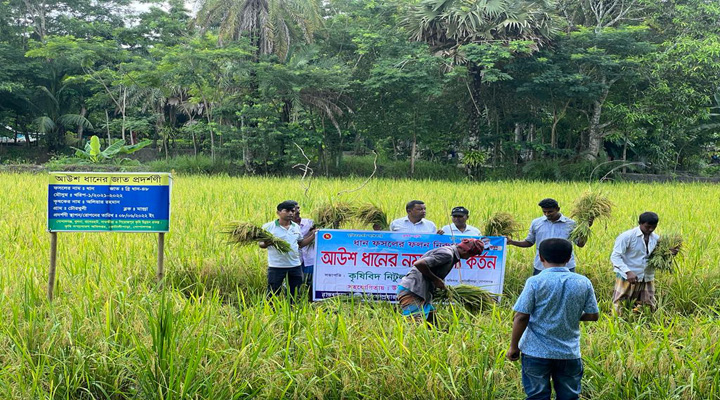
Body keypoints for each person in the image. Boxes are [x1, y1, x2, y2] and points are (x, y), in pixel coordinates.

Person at [507, 238, 599, 400]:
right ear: (569, 257)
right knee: (569, 396)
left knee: (537, 396)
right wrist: (571, 315)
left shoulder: (535, 282)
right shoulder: (583, 282)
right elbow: (593, 315)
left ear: (541, 258)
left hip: (535, 352)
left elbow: (521, 316)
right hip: (568, 353)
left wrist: (514, 347)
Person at [397, 238, 485, 326]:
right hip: (413, 290)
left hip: (420, 291)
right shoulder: (447, 254)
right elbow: (419, 264)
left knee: (433, 323)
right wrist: (436, 280)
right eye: (470, 255)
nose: (467, 258)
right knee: (414, 324)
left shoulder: (449, 253)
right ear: (465, 251)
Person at [610, 211, 675, 315]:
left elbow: (658, 259)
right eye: (647, 227)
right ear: (640, 223)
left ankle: (645, 326)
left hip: (647, 276)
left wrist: (670, 253)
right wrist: (628, 272)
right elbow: (615, 256)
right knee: (621, 304)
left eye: (653, 227)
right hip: (628, 277)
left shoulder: (656, 239)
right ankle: (617, 325)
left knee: (648, 304)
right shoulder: (627, 236)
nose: (650, 230)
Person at [506, 198, 588, 275]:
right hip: (541, 266)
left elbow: (580, 244)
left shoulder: (571, 224)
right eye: (544, 212)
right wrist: (512, 242)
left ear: (558, 209)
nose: (547, 214)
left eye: (550, 212)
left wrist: (585, 228)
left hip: (566, 267)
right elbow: (529, 242)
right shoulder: (536, 223)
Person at [260, 200, 315, 301]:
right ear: (278, 212)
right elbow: (261, 244)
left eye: (292, 211)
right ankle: (271, 312)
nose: (291, 213)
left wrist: (313, 236)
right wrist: (266, 243)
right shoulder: (268, 227)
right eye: (287, 210)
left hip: (295, 265)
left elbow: (300, 244)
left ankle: (291, 311)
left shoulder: (296, 227)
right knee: (273, 292)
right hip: (276, 266)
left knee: (294, 292)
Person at [292, 204, 316, 297]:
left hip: (310, 259)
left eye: (298, 208)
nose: (298, 211)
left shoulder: (310, 223)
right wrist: (310, 234)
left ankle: (312, 302)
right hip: (295, 260)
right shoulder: (288, 227)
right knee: (296, 283)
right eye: (294, 210)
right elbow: (297, 243)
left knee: (311, 283)